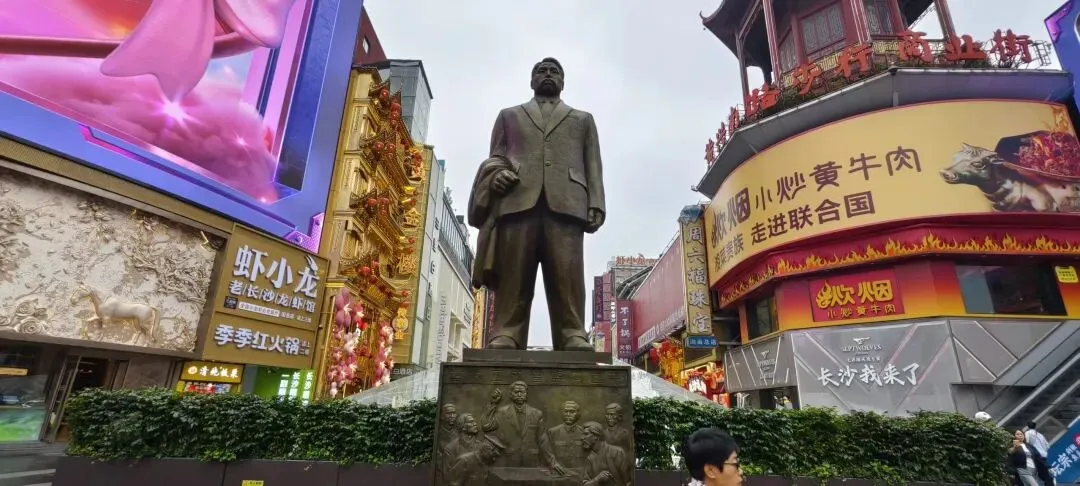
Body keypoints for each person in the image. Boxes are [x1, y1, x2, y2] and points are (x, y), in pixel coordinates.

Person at [467, 56, 606, 352]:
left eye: (555, 71)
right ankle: (507, 332)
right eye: (541, 71)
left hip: (567, 202)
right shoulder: (509, 116)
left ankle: (572, 333)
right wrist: (497, 175)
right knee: (513, 271)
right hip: (517, 200)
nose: (548, 74)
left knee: (568, 274)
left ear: (563, 82)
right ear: (531, 81)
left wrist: (596, 202)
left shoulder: (583, 120)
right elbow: (496, 157)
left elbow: (593, 164)